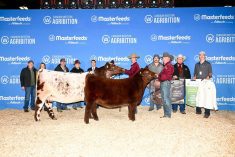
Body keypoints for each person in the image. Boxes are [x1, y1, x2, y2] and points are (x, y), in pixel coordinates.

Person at [193, 51, 213, 118]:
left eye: (202, 55)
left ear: (205, 56)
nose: (201, 56)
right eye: (200, 55)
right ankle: (198, 110)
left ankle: (207, 112)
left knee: (207, 97)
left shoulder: (208, 64)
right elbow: (195, 73)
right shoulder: (196, 64)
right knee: (198, 96)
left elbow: (210, 73)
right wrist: (194, 77)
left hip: (205, 82)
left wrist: (208, 77)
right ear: (199, 56)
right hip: (198, 82)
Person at [157, 52, 174, 118]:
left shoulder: (168, 66)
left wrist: (159, 77)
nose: (163, 59)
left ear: (168, 58)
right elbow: (163, 76)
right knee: (164, 99)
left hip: (165, 83)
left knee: (166, 98)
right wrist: (159, 76)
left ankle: (168, 114)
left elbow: (165, 76)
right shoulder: (166, 66)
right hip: (164, 83)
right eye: (163, 58)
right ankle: (166, 114)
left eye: (164, 58)